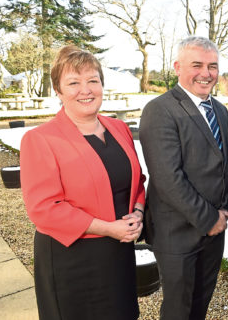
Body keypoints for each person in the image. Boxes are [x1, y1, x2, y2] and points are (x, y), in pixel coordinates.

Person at [20, 45, 146, 320]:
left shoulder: (119, 128)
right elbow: (44, 208)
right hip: (73, 259)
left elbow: (137, 182)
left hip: (119, 253)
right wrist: (108, 228)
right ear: (58, 91)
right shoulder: (41, 139)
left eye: (93, 80)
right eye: (74, 83)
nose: (85, 90)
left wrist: (137, 212)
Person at [139, 36, 228, 320]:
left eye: (213, 66)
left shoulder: (219, 110)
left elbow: (226, 165)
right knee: (178, 311)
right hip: (177, 233)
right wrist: (209, 219)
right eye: (197, 65)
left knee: (199, 305)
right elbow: (168, 178)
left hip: (214, 232)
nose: (206, 73)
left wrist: (225, 212)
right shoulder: (160, 110)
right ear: (177, 67)